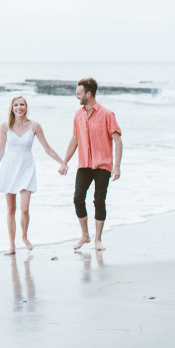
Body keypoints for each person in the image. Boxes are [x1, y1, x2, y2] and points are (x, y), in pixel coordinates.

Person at [0, 94, 65, 255]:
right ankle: (12, 246)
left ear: (26, 107)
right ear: (12, 108)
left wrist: (62, 162)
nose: (19, 108)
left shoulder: (34, 126)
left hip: (26, 168)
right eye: (16, 105)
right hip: (9, 168)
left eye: (22, 105)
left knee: (25, 209)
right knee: (11, 209)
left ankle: (24, 236)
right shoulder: (5, 126)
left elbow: (47, 148)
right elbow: (0, 151)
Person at [57, 78, 123, 251]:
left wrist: (117, 166)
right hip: (84, 164)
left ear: (89, 94)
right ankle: (85, 235)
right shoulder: (78, 115)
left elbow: (117, 141)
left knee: (99, 201)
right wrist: (65, 162)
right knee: (78, 198)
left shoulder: (107, 114)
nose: (76, 96)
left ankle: (98, 240)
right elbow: (75, 139)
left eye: (79, 93)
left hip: (103, 165)